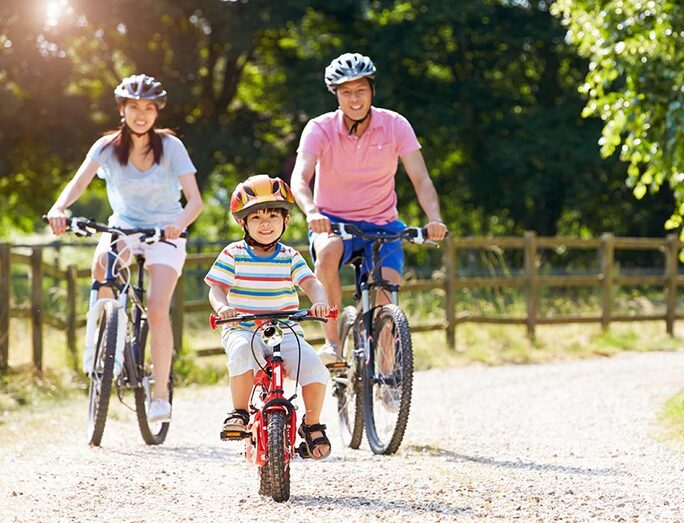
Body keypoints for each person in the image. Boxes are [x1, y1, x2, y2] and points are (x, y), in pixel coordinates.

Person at [47, 74, 203, 423]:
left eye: (149, 108)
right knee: (103, 261)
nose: (141, 114)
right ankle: (106, 349)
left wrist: (178, 223)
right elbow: (77, 184)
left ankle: (160, 394)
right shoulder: (106, 147)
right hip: (125, 226)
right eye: (134, 107)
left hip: (166, 231)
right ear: (122, 109)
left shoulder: (171, 147)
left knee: (157, 309)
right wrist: (60, 208)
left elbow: (195, 201)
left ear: (157, 112)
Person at [290, 52, 448, 364]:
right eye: (346, 91)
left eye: (361, 90)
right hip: (333, 222)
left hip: (383, 224)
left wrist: (434, 218)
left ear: (372, 90)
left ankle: (388, 369)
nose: (355, 98)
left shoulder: (395, 125)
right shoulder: (319, 129)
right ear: (335, 94)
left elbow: (421, 178)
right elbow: (299, 177)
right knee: (327, 252)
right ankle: (333, 342)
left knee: (387, 289)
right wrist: (311, 211)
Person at [204, 175, 332, 459]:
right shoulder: (233, 254)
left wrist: (320, 301)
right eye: (256, 216)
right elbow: (217, 288)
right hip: (244, 328)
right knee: (239, 352)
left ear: (285, 220)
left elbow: (311, 283)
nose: (265, 223)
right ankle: (238, 412)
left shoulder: (289, 256)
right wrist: (223, 308)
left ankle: (312, 424)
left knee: (314, 368)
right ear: (243, 223)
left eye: (273, 215)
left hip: (285, 329)